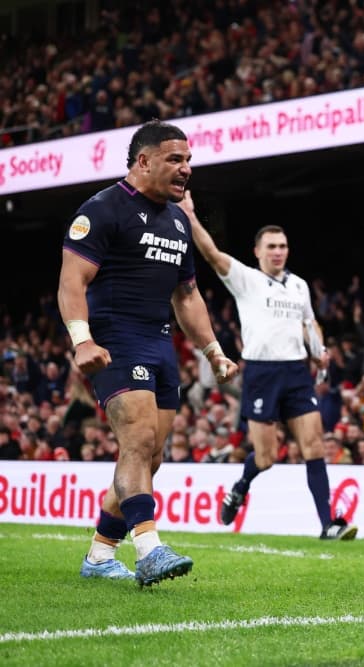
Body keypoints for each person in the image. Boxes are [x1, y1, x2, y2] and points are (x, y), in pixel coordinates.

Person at [58, 120, 238, 586]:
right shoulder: (102, 209)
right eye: (175, 159)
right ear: (144, 161)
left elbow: (187, 296)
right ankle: (149, 549)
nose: (186, 169)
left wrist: (213, 351)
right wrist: (82, 340)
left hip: (160, 345)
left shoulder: (178, 220)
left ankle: (99, 556)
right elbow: (71, 281)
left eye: (189, 160)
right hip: (114, 340)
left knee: (150, 456)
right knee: (136, 441)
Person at [181, 191, 357, 541]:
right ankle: (240, 486)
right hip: (261, 373)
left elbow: (310, 323)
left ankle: (328, 525)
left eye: (283, 246)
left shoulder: (299, 286)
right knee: (265, 457)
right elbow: (213, 255)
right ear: (257, 251)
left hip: (296, 372)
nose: (278, 251)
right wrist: (189, 215)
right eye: (272, 246)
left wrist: (318, 350)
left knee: (314, 447)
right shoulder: (246, 279)